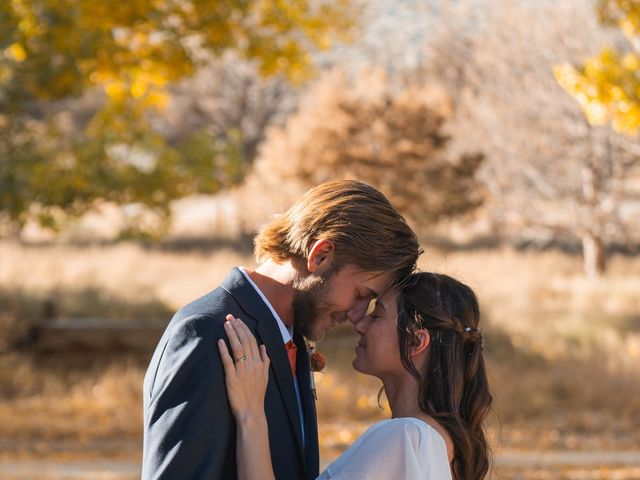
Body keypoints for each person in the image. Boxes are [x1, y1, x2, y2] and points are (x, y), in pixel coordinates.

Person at [141, 180, 421, 479]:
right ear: (321, 255)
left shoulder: (290, 335)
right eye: (361, 294)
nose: (356, 316)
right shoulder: (209, 334)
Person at [219, 272, 493, 480]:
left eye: (377, 315)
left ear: (415, 342)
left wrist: (251, 414)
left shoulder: (404, 438)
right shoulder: (446, 442)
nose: (358, 323)